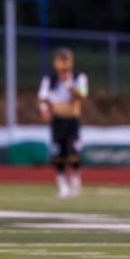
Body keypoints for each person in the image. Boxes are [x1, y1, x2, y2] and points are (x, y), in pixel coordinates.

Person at [37, 47, 88, 198]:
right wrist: (44, 108)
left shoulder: (78, 78)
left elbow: (82, 96)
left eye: (65, 60)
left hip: (72, 120)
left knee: (73, 152)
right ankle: (62, 185)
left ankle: (75, 178)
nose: (63, 64)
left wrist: (68, 85)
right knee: (58, 154)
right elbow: (42, 98)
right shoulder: (49, 80)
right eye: (60, 60)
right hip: (57, 121)